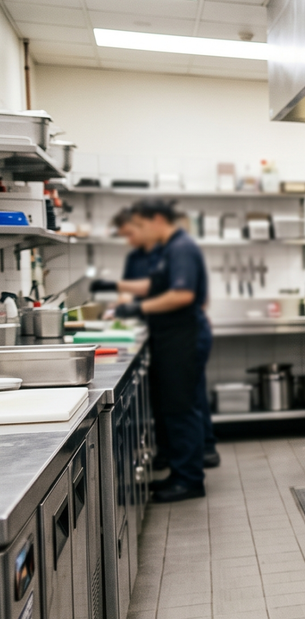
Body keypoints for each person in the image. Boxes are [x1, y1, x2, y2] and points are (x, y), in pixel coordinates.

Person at [92, 199, 212, 503]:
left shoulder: (181, 247)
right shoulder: (169, 248)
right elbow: (155, 286)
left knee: (182, 408)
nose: (138, 231)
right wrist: (115, 287)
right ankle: (179, 472)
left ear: (157, 219)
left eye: (140, 225)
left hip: (183, 335)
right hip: (169, 335)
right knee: (172, 407)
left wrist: (137, 307)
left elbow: (182, 295)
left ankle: (190, 480)